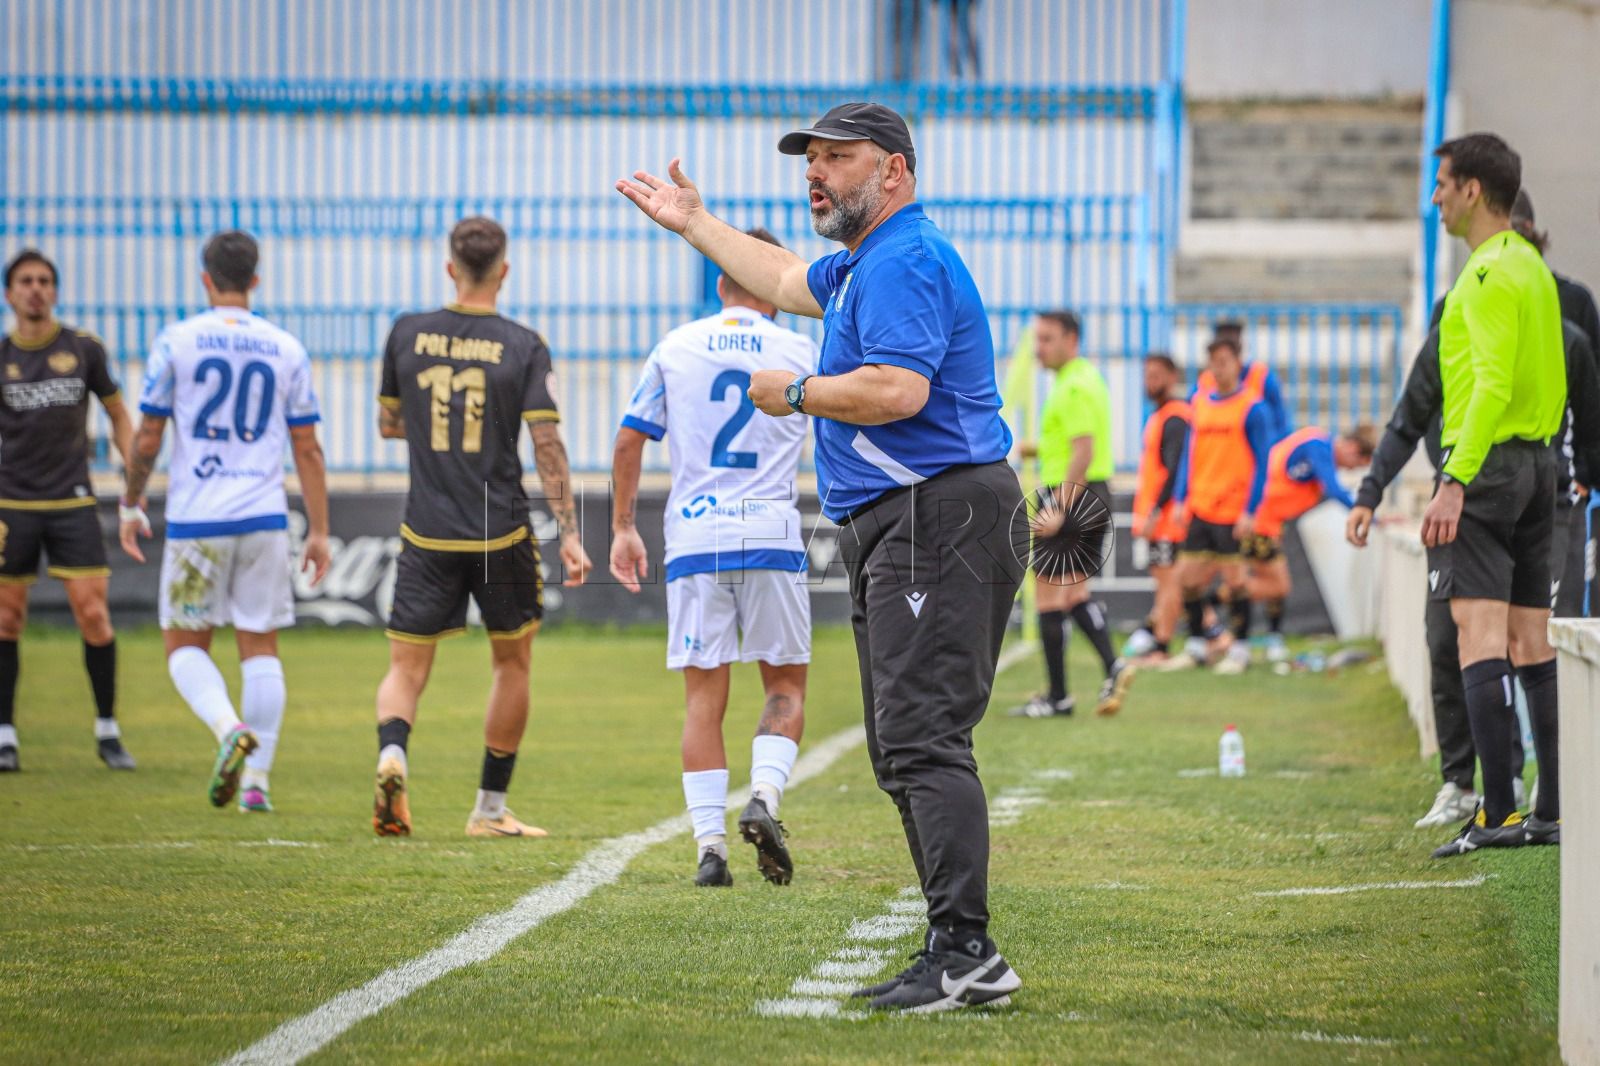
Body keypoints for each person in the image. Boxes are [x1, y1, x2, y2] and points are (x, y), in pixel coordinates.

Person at [617, 101, 1025, 1012]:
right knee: (903, 743)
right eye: (812, 158)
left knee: (922, 736)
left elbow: (899, 389)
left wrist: (798, 391)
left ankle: (966, 952)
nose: (815, 171)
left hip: (937, 513)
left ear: (895, 171)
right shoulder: (865, 261)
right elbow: (781, 274)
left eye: (838, 157)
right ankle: (955, 948)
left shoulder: (903, 258)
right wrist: (695, 223)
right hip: (909, 517)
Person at [608, 229, 818, 888]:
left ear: (722, 279)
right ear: (775, 284)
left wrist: (622, 526)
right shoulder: (800, 349)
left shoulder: (675, 346)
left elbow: (629, 439)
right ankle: (765, 796)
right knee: (784, 685)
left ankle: (710, 851)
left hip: (697, 538)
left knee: (703, 699)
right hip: (771, 534)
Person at [371, 217, 592, 840]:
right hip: (501, 534)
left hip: (426, 530)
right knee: (512, 664)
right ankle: (490, 810)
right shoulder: (523, 344)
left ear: (450, 268)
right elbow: (546, 443)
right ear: (504, 271)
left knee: (406, 668)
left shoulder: (406, 332)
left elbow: (389, 424)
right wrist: (569, 531)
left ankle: (393, 754)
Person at [1349, 287, 1600, 832]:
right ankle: (1470, 785)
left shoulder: (1564, 333)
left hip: (1538, 503)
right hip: (1461, 499)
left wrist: (1582, 476)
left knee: (1531, 642)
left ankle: (1538, 795)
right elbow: (1410, 417)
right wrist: (1371, 491)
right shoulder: (1454, 320)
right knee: (1450, 639)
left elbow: (1588, 417)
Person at [120, 231, 331, 811]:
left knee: (184, 647)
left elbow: (148, 436)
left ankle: (228, 729)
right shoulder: (285, 347)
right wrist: (318, 530)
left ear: (205, 278)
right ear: (255, 280)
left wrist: (131, 502)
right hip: (263, 517)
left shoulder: (177, 341)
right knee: (260, 647)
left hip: (198, 519)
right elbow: (308, 448)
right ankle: (257, 783)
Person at [1417, 133, 1565, 857]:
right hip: (1540, 464)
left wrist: (1454, 480)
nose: (1435, 198)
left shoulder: (1482, 275)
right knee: (1531, 639)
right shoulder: (1533, 267)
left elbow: (1489, 388)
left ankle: (1499, 813)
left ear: (1472, 190)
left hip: (1489, 470)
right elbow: (1549, 378)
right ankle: (1550, 809)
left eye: (1443, 184)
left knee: (1477, 637)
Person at [0, 249, 139, 774]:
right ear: (10, 294)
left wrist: (134, 477)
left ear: (55, 291)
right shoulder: (2, 356)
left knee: (95, 616)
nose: (35, 288)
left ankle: (108, 730)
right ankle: (5, 735)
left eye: (44, 280)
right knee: (6, 620)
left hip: (73, 500)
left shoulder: (83, 349)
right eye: (25, 281)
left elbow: (119, 414)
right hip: (11, 504)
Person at [1010, 310, 1130, 718]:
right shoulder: (1085, 378)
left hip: (1071, 495)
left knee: (1047, 596)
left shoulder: (1073, 386)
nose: (1039, 349)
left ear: (1071, 340)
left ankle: (1058, 697)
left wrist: (1059, 506)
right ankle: (1114, 665)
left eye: (1047, 339)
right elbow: (1073, 443)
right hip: (1092, 493)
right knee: (1075, 594)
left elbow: (1083, 450)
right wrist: (1036, 449)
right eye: (1038, 339)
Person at [1510, 190, 1600, 619]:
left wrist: (1584, 472)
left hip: (1561, 493)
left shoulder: (1574, 303)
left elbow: (1593, 397)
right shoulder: (1464, 303)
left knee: (1555, 624)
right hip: (1495, 491)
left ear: (1530, 232)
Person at [1164, 335, 1275, 675]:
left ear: (1238, 363)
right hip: (1200, 506)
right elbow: (1190, 455)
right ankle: (1197, 646)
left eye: (1224, 362)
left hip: (1232, 509)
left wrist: (1250, 510)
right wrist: (1180, 498)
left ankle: (1240, 649)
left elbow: (1263, 463)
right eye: (1213, 362)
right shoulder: (1199, 403)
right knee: (1187, 578)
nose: (1218, 368)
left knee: (1236, 580)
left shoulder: (1253, 407)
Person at [1240, 424, 1375, 662]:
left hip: (1270, 524)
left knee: (1271, 585)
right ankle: (1216, 604)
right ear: (1353, 448)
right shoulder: (1317, 446)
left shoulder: (1316, 450)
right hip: (1259, 523)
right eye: (1355, 464)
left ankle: (1271, 638)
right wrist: (1372, 516)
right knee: (1278, 586)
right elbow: (1334, 489)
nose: (1349, 469)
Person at [1125, 353, 1190, 664]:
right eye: (1147, 375)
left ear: (1172, 377)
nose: (1150, 382)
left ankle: (1162, 647)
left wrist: (1155, 511)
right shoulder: (1161, 416)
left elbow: (1174, 470)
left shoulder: (1175, 417)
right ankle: (1212, 634)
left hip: (1166, 519)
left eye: (1156, 376)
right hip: (1159, 517)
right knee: (1168, 583)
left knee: (1168, 583)